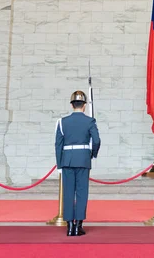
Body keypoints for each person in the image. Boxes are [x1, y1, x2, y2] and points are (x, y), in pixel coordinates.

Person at [54, 90, 101, 237]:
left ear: (72, 105)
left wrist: (59, 165)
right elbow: (97, 141)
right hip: (83, 159)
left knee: (68, 193)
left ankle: (69, 227)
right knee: (81, 193)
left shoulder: (62, 122)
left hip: (67, 160)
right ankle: (78, 226)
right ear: (84, 105)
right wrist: (92, 154)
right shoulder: (90, 121)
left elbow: (58, 145)